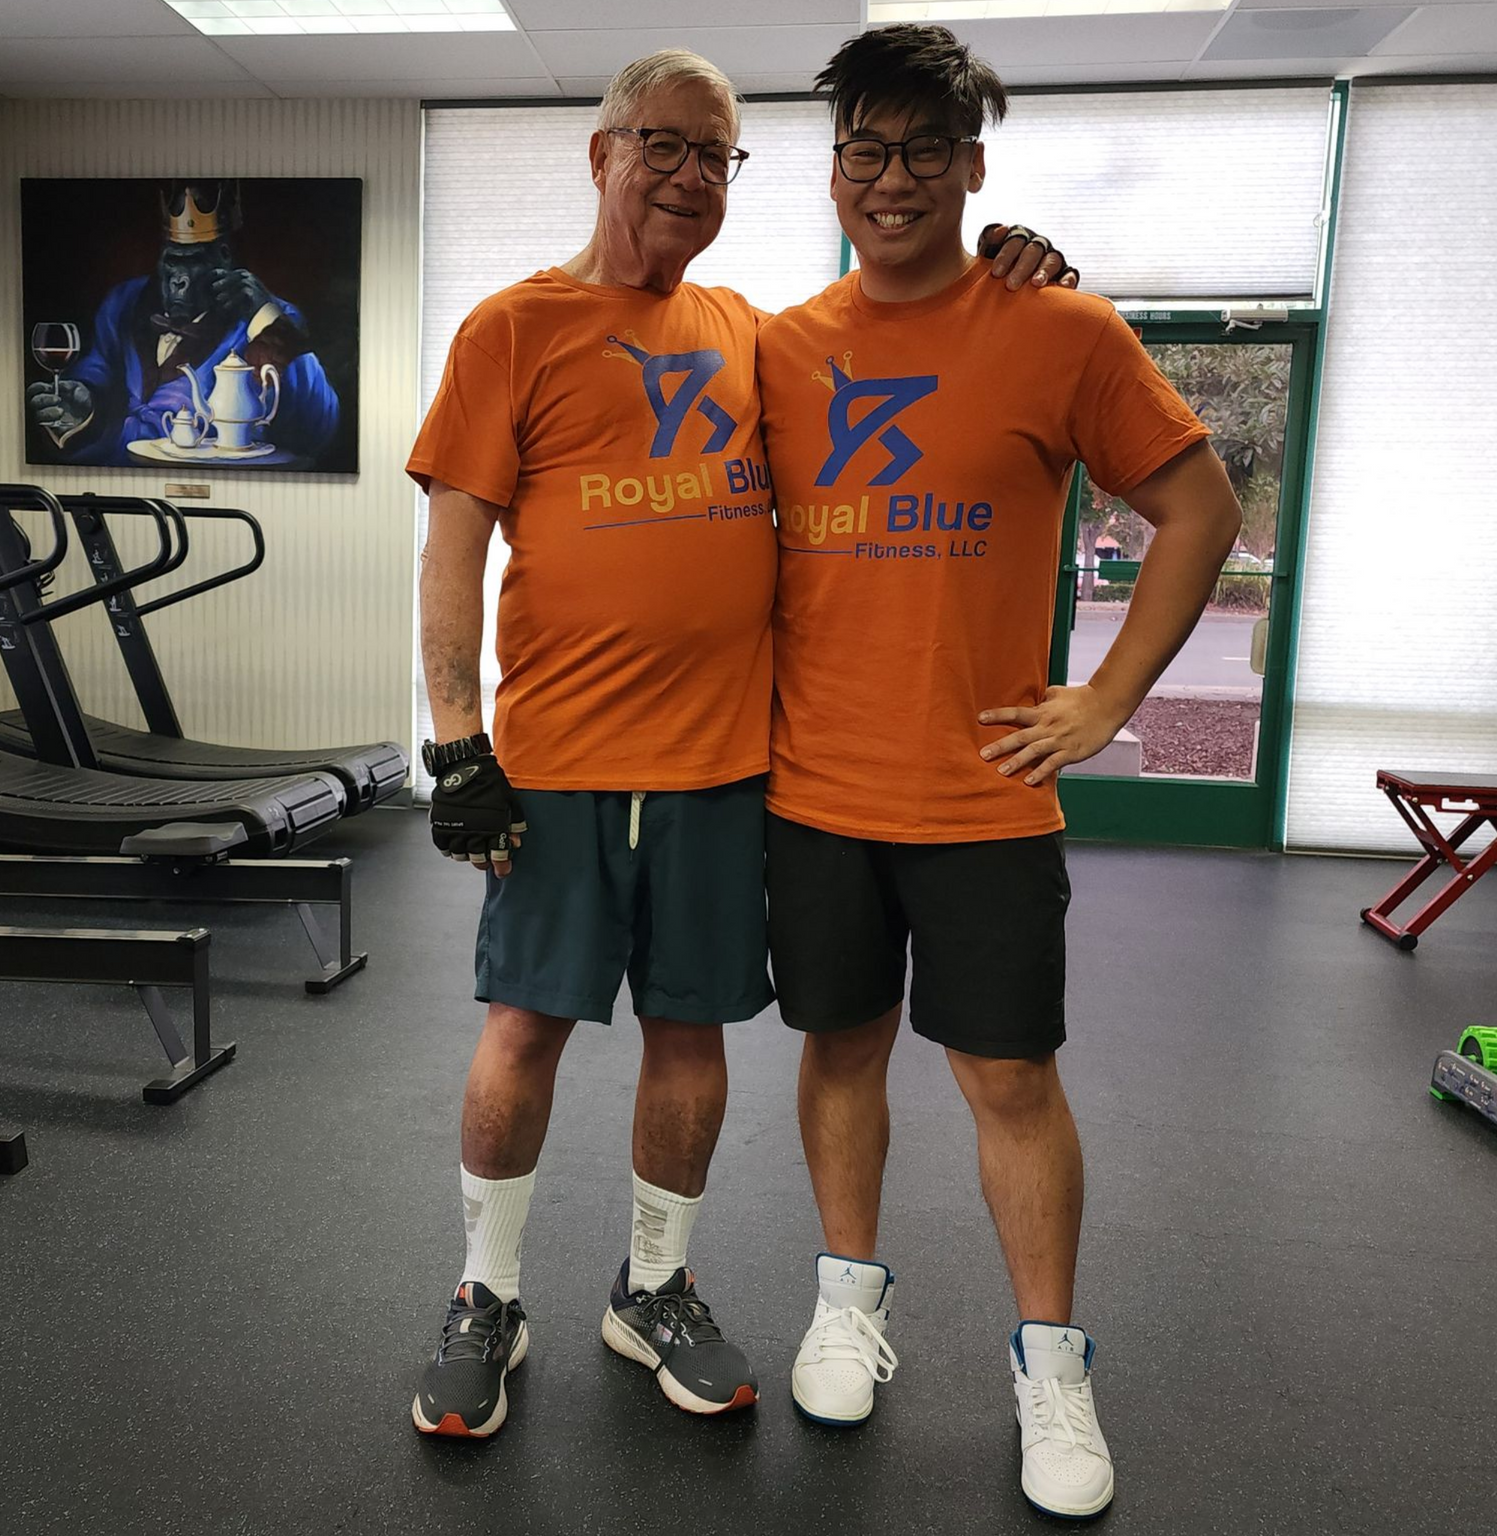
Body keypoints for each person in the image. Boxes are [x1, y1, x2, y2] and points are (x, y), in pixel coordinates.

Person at [404, 48, 1069, 1440]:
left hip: (723, 768)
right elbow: (454, 542)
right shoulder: (510, 328)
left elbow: (897, 342)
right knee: (523, 1029)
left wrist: (1017, 267)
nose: (691, 175)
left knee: (689, 1034)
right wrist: (457, 736)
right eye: (667, 143)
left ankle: (654, 1286)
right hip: (564, 765)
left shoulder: (751, 333)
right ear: (602, 153)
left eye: (718, 156)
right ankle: (485, 1296)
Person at [757, 24, 1242, 1519]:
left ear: (973, 169)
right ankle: (849, 1302)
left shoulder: (1060, 327)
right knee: (837, 1050)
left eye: (922, 152)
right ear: (832, 169)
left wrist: (1105, 697)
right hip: (812, 788)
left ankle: (1051, 1369)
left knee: (1010, 1080)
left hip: (982, 797)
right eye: (865, 151)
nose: (890, 180)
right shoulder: (777, 347)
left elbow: (1201, 508)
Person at [27, 181, 339, 464]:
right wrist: (84, 401)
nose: (179, 281)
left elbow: (319, 427)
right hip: (119, 471)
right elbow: (98, 371)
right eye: (173, 261)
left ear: (224, 259)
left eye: (192, 263)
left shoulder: (271, 321)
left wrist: (264, 316)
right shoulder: (125, 301)